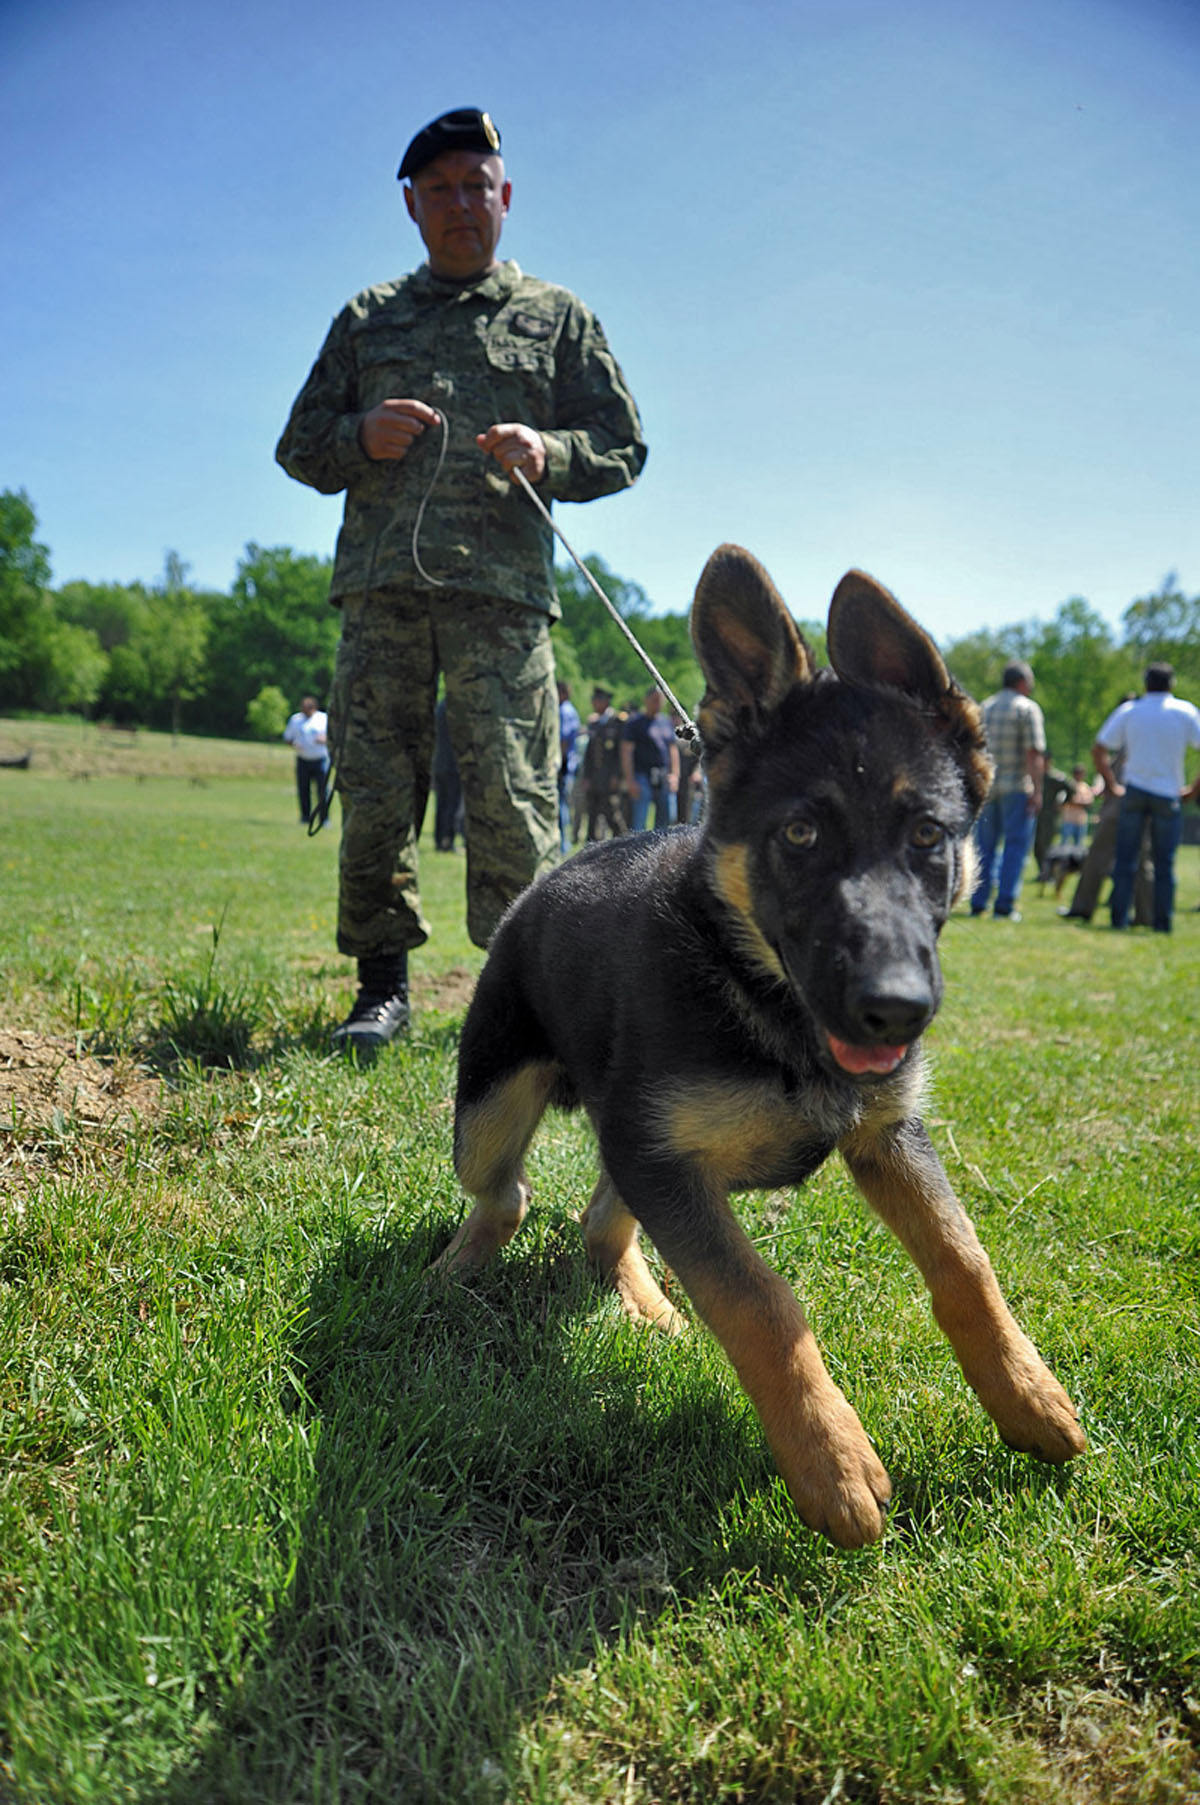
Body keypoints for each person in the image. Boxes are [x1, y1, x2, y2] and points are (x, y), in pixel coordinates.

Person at [275, 108, 647, 1054]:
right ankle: (380, 989)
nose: (458, 205)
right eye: (437, 189)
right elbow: (298, 446)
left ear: (505, 197)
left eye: (475, 185)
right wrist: (358, 436)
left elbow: (625, 446)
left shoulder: (559, 319)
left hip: (504, 605)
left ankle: (531, 1005)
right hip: (382, 598)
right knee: (375, 791)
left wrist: (550, 449)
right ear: (411, 205)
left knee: (516, 800)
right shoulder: (367, 320)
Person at [1092, 662, 1200, 933]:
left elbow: (1099, 748)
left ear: (1145, 683)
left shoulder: (1131, 711)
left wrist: (1111, 783)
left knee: (1126, 860)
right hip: (1169, 794)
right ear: (1171, 684)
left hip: (1135, 791)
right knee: (1165, 864)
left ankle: (1119, 919)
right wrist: (1193, 789)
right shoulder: (1185, 712)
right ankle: (1162, 923)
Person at [970, 660, 1047, 921]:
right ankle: (1004, 906)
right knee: (1015, 847)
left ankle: (978, 902)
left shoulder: (984, 708)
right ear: (1022, 682)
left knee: (984, 847)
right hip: (1016, 787)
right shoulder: (1027, 709)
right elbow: (1034, 753)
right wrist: (1038, 791)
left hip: (988, 789)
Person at [621, 685, 680, 832]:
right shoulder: (635, 723)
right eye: (654, 700)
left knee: (667, 822)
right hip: (642, 776)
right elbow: (626, 752)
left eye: (660, 700)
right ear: (646, 700)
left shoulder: (666, 722)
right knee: (640, 823)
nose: (657, 703)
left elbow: (673, 750)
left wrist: (675, 775)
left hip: (663, 775)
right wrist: (630, 780)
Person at [580, 683, 627, 841]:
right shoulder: (594, 723)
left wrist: (617, 775)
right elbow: (589, 754)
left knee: (612, 815)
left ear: (605, 701)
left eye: (596, 700)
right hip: (594, 778)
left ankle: (623, 844)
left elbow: (621, 753)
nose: (594, 703)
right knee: (592, 815)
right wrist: (586, 777)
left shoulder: (617, 722)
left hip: (609, 778)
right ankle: (591, 848)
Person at [282, 695, 330, 827]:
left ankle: (324, 819)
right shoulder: (296, 719)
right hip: (303, 759)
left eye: (308, 708)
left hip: (320, 759)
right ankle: (305, 817)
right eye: (303, 708)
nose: (305, 711)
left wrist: (324, 739)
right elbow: (287, 737)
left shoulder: (323, 718)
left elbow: (333, 737)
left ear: (314, 707)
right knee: (303, 789)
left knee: (322, 791)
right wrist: (294, 744)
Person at [432, 697, 464, 852]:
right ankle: (447, 841)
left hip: (439, 762)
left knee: (441, 803)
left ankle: (440, 839)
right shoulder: (456, 706)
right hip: (453, 764)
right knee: (452, 804)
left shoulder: (441, 706)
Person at [557, 680, 581, 855]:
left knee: (561, 807)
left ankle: (563, 845)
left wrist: (556, 765)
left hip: (562, 766)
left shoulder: (564, 711)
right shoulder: (568, 710)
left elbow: (563, 741)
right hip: (565, 765)